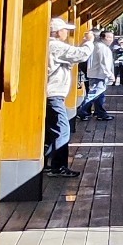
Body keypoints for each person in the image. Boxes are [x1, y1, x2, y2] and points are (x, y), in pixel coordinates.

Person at [45, 18, 87, 174]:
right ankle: (58, 167)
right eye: (64, 30)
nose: (66, 33)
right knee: (63, 129)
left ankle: (47, 163)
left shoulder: (49, 46)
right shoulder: (56, 46)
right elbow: (81, 55)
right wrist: (88, 42)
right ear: (57, 32)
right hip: (54, 95)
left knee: (53, 130)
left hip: (52, 95)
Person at [77, 28, 115, 124]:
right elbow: (104, 63)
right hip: (99, 74)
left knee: (99, 95)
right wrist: (110, 75)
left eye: (112, 37)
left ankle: (100, 112)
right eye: (108, 37)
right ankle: (81, 111)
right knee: (94, 94)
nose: (111, 39)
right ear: (102, 37)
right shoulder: (102, 48)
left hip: (95, 73)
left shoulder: (96, 46)